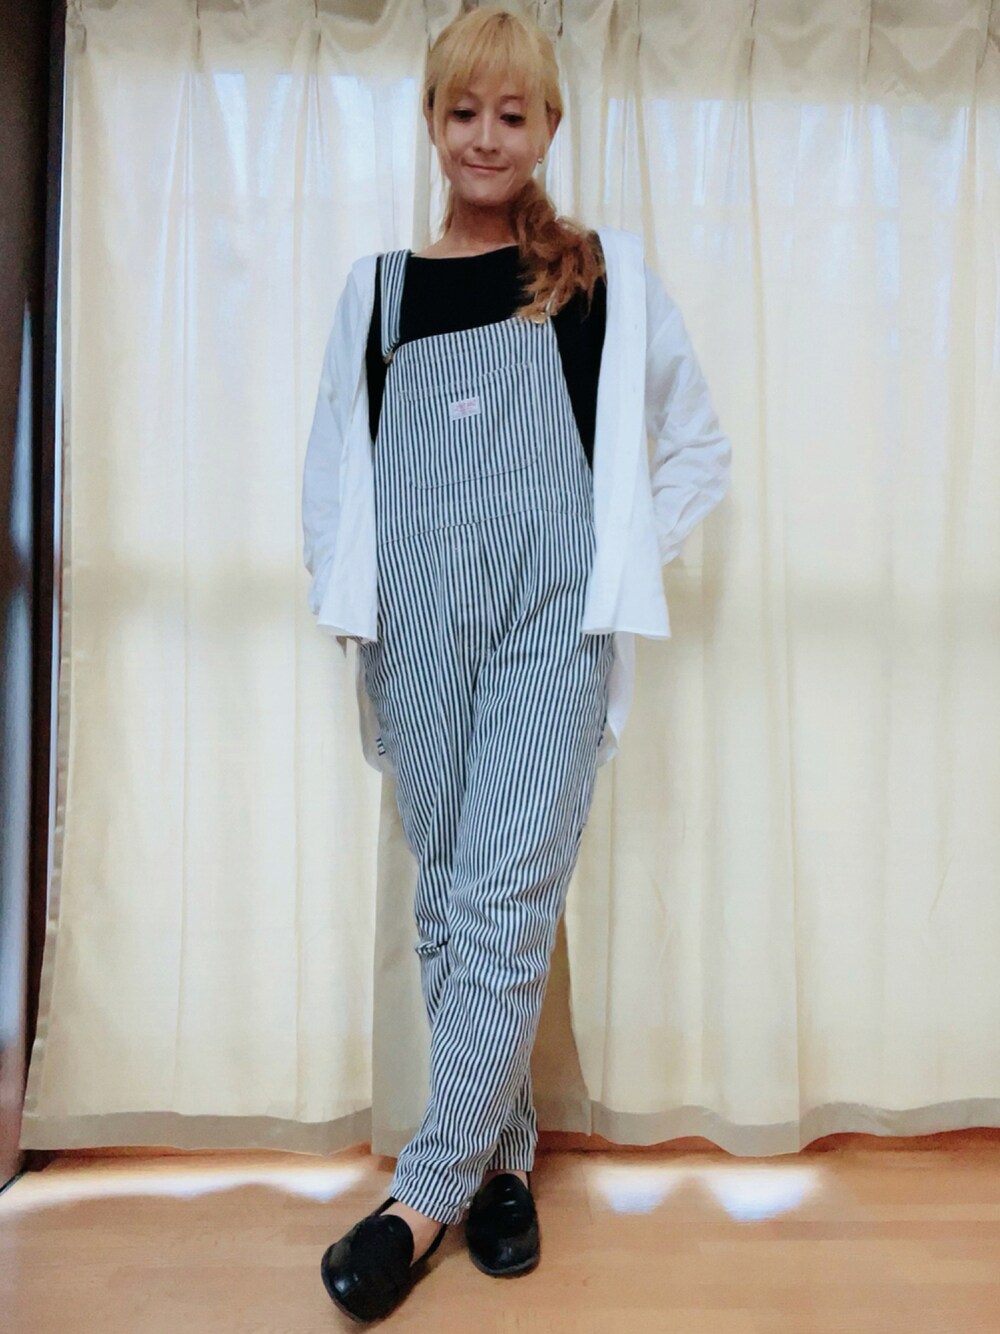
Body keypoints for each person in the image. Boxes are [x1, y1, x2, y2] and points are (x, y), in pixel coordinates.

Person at [302, 5, 732, 1322]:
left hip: (553, 625)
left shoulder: (599, 279)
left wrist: (616, 561)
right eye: (462, 111)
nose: (485, 137)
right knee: (450, 903)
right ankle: (502, 1162)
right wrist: (355, 611)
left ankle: (420, 1196)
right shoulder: (379, 292)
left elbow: (696, 448)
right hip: (415, 627)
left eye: (513, 114)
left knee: (504, 896)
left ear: (548, 128)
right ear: (432, 123)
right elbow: (333, 478)